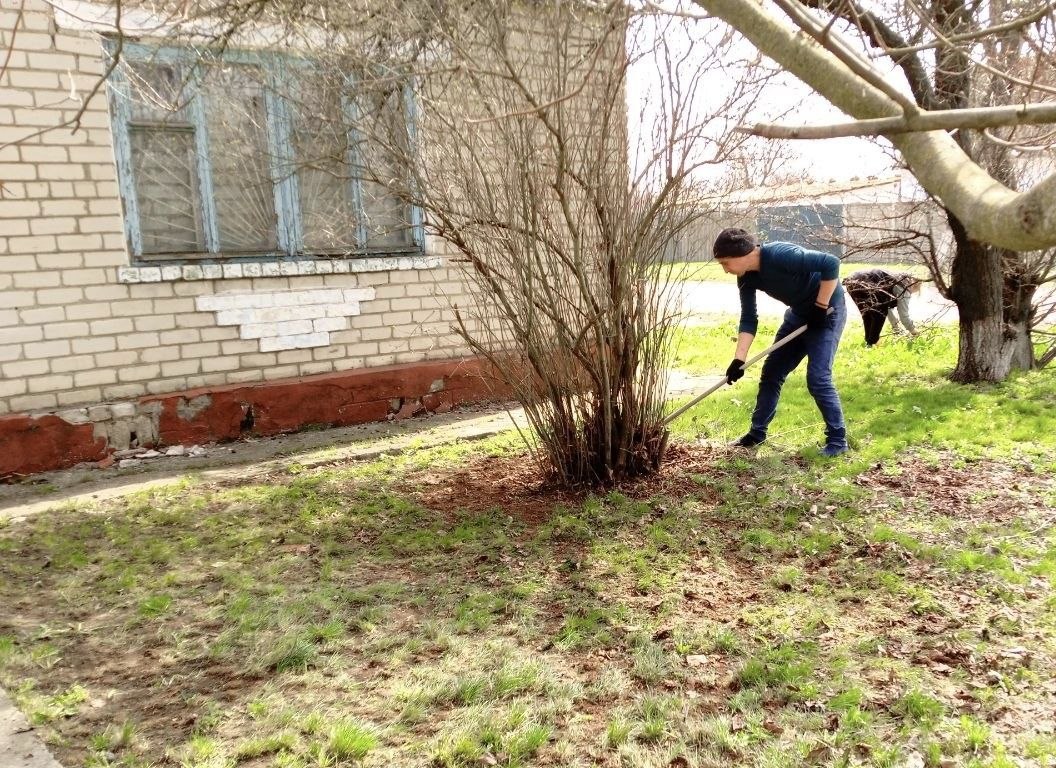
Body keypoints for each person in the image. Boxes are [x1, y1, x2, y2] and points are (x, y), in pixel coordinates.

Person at [713, 228, 849, 458]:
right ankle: (756, 434)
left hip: (827, 313)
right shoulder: (745, 278)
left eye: (726, 263)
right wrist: (739, 359)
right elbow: (749, 318)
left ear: (743, 253)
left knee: (818, 378)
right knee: (772, 373)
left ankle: (837, 441)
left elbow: (831, 263)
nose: (725, 269)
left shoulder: (780, 255)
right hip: (799, 315)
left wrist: (820, 306)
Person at [843, 269, 921, 346]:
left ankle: (869, 342)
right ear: (915, 286)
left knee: (867, 313)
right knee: (879, 314)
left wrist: (896, 327)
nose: (911, 294)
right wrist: (914, 331)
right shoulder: (905, 289)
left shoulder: (897, 278)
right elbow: (903, 316)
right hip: (866, 281)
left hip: (852, 280)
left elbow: (887, 307)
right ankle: (872, 342)